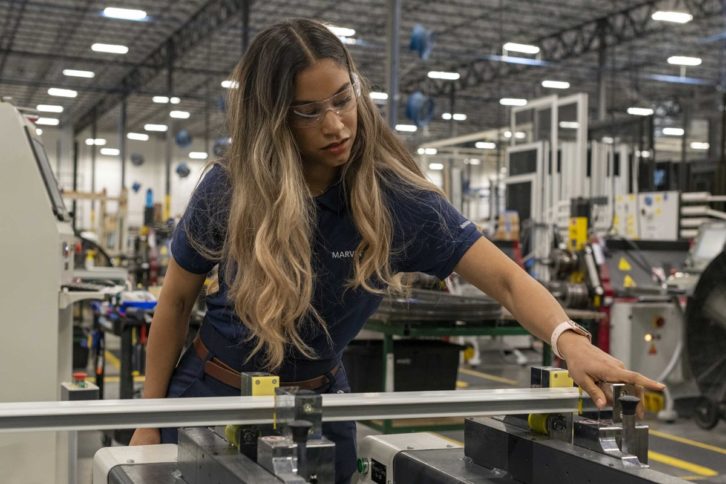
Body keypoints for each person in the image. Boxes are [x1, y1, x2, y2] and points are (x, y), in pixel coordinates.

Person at [130, 18, 664, 483]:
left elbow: (504, 279)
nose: (336, 125)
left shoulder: (392, 199)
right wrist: (149, 420)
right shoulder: (231, 189)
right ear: (274, 120)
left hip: (318, 408)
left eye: (343, 99)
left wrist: (568, 339)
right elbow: (175, 302)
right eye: (309, 112)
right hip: (211, 398)